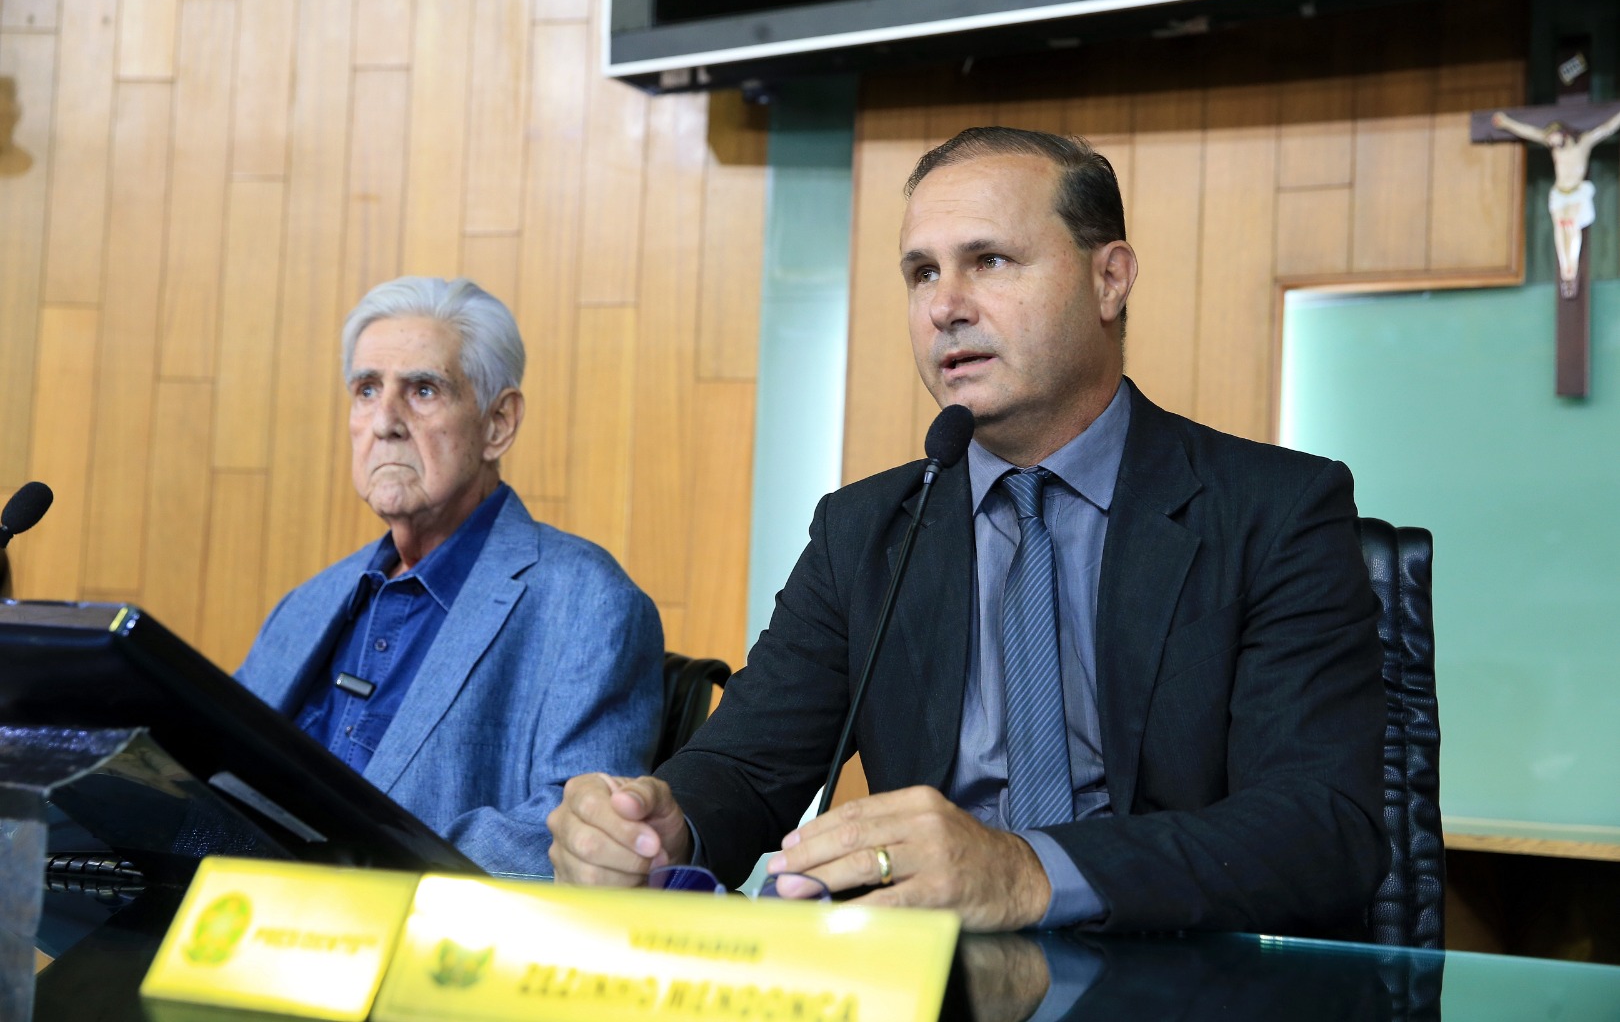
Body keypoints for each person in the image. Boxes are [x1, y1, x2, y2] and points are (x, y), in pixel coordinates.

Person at [548, 128, 1386, 935]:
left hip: (1184, 980)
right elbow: (745, 768)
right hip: (937, 983)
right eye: (922, 273)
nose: (944, 307)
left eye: (989, 261)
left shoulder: (1275, 509)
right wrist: (661, 827)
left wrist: (1026, 872)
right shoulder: (864, 531)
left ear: (1109, 280)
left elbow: (1320, 826)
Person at [238, 276, 662, 875]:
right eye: (366, 390)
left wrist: (359, 868)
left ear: (498, 424)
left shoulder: (589, 605)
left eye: (423, 390)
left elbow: (581, 841)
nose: (385, 421)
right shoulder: (307, 604)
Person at [1492, 108, 1620, 297]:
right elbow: (1530, 132)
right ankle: (1564, 268)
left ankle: (1571, 269)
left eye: (1554, 140)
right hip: (1560, 193)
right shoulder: (1553, 145)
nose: (1552, 144)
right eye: (1550, 142)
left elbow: (1606, 128)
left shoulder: (1583, 143)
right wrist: (1506, 123)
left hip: (1577, 192)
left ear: (1564, 134)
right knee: (1560, 227)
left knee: (1571, 225)